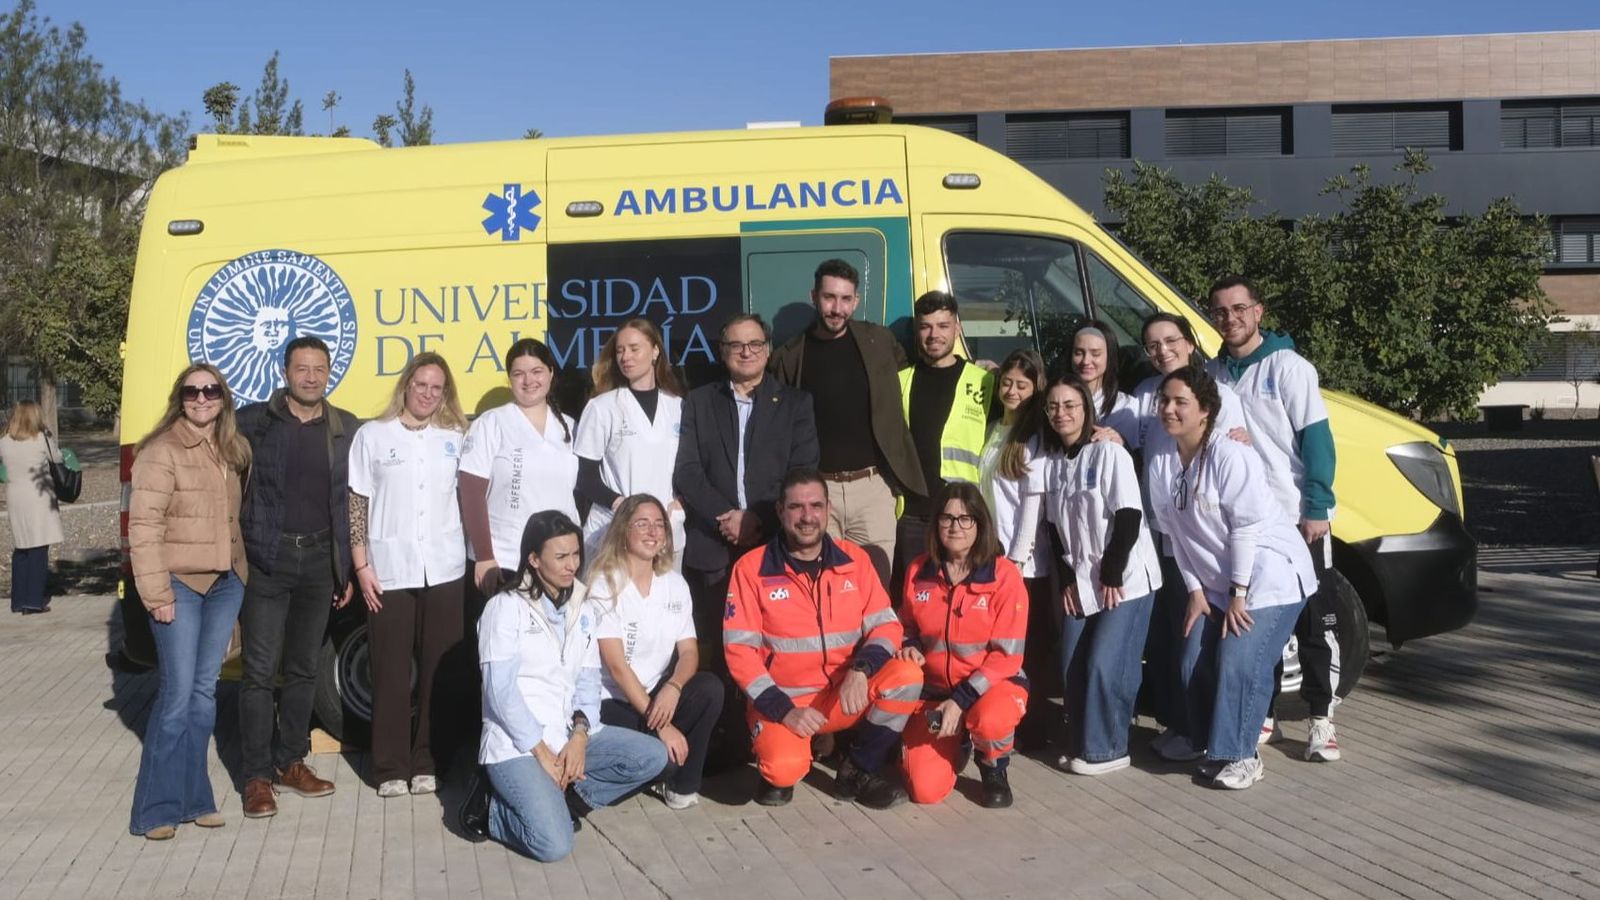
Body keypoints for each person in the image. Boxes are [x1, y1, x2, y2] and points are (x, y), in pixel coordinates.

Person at [457, 511, 667, 861]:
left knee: (652, 756)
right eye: (560, 557)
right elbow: (500, 693)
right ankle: (490, 807)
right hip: (518, 745)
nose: (572, 565)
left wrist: (580, 738)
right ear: (534, 559)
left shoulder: (580, 608)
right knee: (553, 845)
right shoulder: (504, 609)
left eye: (575, 554)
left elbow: (587, 681)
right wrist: (543, 754)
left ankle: (565, 797)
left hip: (566, 732)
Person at [1146, 367, 1315, 789]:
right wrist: (1195, 591)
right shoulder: (1163, 459)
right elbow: (1175, 536)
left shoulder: (1229, 453)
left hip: (1269, 575)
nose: (1169, 409)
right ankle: (1211, 746)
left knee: (1240, 661)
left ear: (1205, 411)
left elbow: (1245, 529)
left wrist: (1239, 594)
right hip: (1217, 585)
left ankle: (1242, 755)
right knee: (1192, 661)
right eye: (1165, 400)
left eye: (1180, 402)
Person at [723, 468, 924, 809]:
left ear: (828, 510)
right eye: (796, 507)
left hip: (842, 695)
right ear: (780, 511)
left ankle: (858, 769)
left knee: (907, 677)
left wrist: (861, 669)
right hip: (785, 703)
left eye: (815, 506)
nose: (807, 517)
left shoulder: (855, 561)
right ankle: (785, 753)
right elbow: (739, 652)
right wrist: (783, 710)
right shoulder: (750, 569)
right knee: (783, 772)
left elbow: (887, 627)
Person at [1205, 276, 1342, 761]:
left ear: (1258, 311)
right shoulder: (1212, 374)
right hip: (1246, 526)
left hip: (1295, 521)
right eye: (1221, 312)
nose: (1231, 319)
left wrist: (1316, 508)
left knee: (1313, 623)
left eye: (1239, 309)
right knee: (1259, 629)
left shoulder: (1289, 367)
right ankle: (1267, 716)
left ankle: (1321, 719)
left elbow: (1317, 441)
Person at [235, 336, 361, 818]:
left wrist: (343, 566)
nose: (310, 377)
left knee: (304, 670)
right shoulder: (253, 423)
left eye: (319, 369)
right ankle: (255, 776)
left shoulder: (343, 428)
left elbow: (352, 501)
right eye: (301, 368)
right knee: (260, 673)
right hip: (268, 560)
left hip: (318, 564)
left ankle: (291, 762)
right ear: (286, 372)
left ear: (329, 373)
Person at [125, 366, 252, 839]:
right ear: (180, 398)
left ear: (223, 397)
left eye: (211, 390)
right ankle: (156, 809)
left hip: (224, 584)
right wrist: (156, 593)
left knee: (203, 696)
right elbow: (144, 529)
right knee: (177, 696)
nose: (202, 398)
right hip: (179, 586)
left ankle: (195, 798)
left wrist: (240, 578)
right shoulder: (161, 452)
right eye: (192, 391)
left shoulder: (231, 450)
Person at [348, 352, 469, 798]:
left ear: (445, 393)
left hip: (445, 567)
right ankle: (389, 768)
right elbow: (357, 501)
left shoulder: (455, 436)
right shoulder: (373, 436)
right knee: (391, 671)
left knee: (440, 670)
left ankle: (428, 762)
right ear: (406, 385)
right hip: (389, 570)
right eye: (421, 385)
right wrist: (361, 565)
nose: (428, 394)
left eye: (437, 388)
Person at [1130, 313, 1247, 763]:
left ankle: (1213, 731)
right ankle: (1185, 725)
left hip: (1206, 541)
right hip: (1166, 538)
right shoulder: (1144, 397)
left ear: (1191, 343)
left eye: (1170, 340)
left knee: (1200, 641)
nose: (1162, 350)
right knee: (1174, 639)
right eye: (1152, 344)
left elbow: (1234, 454)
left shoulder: (1218, 396)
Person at [769, 259, 925, 586]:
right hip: (817, 493)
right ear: (814, 296)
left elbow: (920, 377)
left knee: (875, 590)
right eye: (829, 298)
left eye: (845, 299)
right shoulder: (790, 356)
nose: (836, 308)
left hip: (872, 488)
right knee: (823, 588)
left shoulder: (880, 342)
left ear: (855, 301)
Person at [1037, 376, 1161, 775]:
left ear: (1086, 409)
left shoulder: (1109, 454)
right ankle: (1081, 741)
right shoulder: (1055, 464)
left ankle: (1109, 749)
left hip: (1124, 580)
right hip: (1084, 581)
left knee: (1106, 663)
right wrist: (1069, 579)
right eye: (1054, 406)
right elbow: (1055, 530)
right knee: (1072, 661)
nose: (1062, 413)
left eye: (1070, 405)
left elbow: (1128, 516)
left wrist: (1111, 572)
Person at [674, 313, 818, 656]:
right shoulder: (699, 402)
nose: (746, 352)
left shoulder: (796, 404)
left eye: (754, 344)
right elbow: (688, 471)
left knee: (775, 643)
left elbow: (802, 472)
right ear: (723, 352)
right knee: (721, 646)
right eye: (736, 345)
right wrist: (727, 515)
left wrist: (758, 518)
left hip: (773, 541)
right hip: (714, 544)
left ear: (767, 351)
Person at [896, 483, 1029, 808]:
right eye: (947, 518)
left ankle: (993, 764)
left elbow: (1007, 656)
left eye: (966, 518)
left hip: (991, 687)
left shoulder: (1005, 576)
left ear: (980, 524)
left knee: (991, 718)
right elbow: (905, 623)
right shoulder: (918, 570)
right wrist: (909, 643)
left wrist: (961, 700)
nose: (955, 527)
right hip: (935, 694)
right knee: (924, 792)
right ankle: (959, 744)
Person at [589, 495, 724, 809]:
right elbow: (617, 667)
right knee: (660, 759)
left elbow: (689, 652)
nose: (652, 532)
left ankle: (681, 786)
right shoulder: (603, 582)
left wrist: (674, 688)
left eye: (659, 524)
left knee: (709, 689)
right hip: (612, 701)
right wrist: (662, 725)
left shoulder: (675, 584)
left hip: (656, 693)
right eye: (642, 524)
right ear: (623, 531)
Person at [891, 291, 995, 596]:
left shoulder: (985, 381)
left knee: (962, 603)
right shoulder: (900, 381)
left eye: (943, 325)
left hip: (963, 519)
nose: (934, 334)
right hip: (911, 516)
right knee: (913, 603)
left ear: (957, 328)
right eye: (926, 326)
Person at [977, 349, 1056, 746]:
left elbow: (1031, 508)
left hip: (1023, 566)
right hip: (993, 558)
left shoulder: (1033, 439)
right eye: (1006, 382)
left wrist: (1015, 561)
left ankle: (1034, 725)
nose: (1011, 390)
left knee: (1029, 651)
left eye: (1021, 385)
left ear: (1035, 388)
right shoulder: (994, 429)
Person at [460, 338, 580, 597]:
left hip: (557, 561)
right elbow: (471, 492)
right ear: (510, 379)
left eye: (537, 371)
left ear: (550, 373)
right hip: (504, 559)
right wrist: (484, 555)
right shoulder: (491, 423)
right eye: (519, 374)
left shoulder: (569, 427)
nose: (528, 381)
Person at [574, 318, 686, 569]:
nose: (626, 357)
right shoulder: (603, 407)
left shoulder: (678, 407)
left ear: (655, 351)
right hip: (612, 528)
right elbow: (585, 475)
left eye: (635, 348)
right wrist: (620, 504)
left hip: (665, 530)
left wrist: (682, 503)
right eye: (620, 350)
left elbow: (690, 467)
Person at [1, 401, 63, 614]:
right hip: (38, 495)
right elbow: (58, 458)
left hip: (15, 496)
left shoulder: (5, 441)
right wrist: (50, 436)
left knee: (22, 547)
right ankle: (34, 601)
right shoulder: (40, 439)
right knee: (38, 547)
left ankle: (18, 600)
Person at [1067, 321, 1139, 445]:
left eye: (1095, 354)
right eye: (1079, 353)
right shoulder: (1055, 400)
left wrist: (1121, 442)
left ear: (1109, 356)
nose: (1086, 361)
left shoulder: (1125, 405)